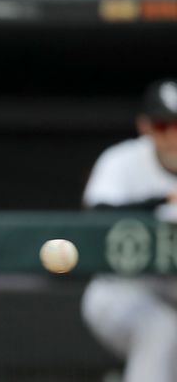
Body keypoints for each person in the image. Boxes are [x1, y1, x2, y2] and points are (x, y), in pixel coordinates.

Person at [81, 78, 177, 382]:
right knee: (161, 331)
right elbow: (99, 214)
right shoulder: (121, 161)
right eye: (164, 126)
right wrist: (162, 199)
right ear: (145, 127)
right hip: (123, 288)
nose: (173, 136)